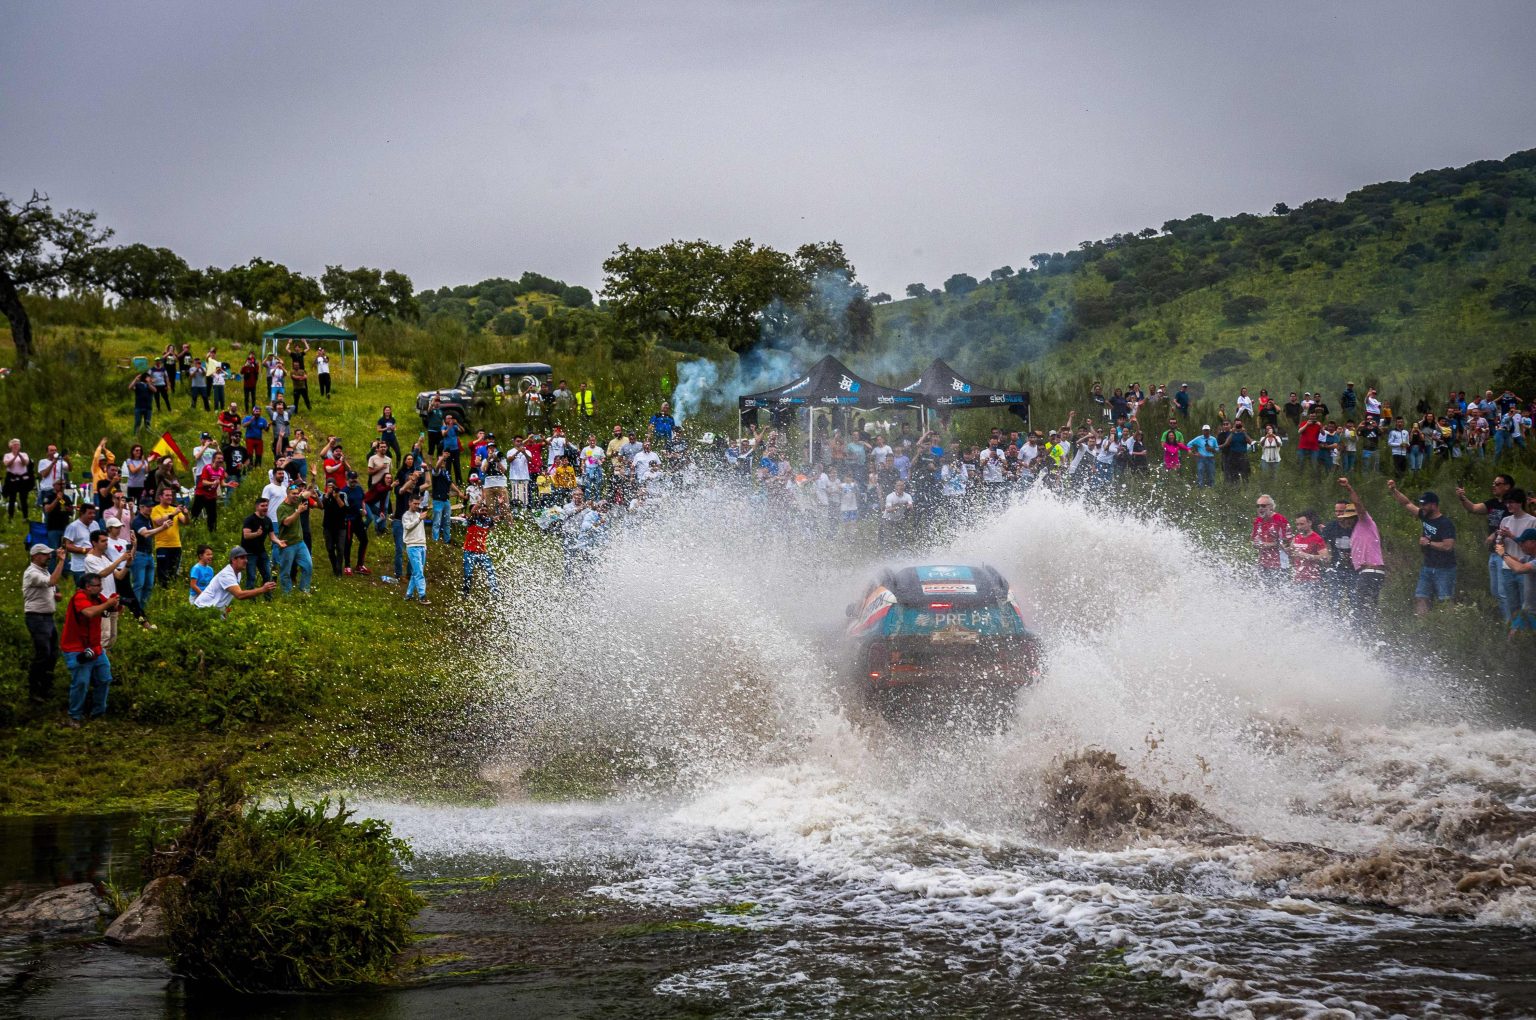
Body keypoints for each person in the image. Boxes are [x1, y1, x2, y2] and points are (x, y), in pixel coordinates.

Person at [1386, 482, 1457, 615]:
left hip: (1445, 568)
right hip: (1428, 566)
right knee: (1421, 596)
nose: (1422, 507)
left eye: (1424, 504)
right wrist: (1394, 490)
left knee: (1445, 600)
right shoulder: (1424, 515)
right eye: (1421, 504)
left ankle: (1449, 625)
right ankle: (1422, 625)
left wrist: (1429, 543)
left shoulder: (1445, 523)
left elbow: (1448, 546)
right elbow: (1406, 503)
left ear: (1434, 505)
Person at [59, 572, 119, 728]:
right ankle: (74, 716)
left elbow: (111, 610)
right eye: (97, 585)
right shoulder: (79, 597)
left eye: (101, 585)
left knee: (105, 679)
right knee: (81, 682)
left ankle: (98, 714)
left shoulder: (97, 597)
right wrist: (108, 603)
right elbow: (89, 612)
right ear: (87, 587)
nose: (101, 588)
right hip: (76, 648)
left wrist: (116, 605)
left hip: (95, 647)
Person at [1456, 475, 1518, 622]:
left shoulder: (1511, 505)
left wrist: (1494, 534)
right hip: (1493, 553)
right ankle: (1508, 623)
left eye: (1497, 483)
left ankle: (1511, 625)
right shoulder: (1492, 503)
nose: (1493, 486)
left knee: (1503, 593)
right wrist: (1462, 497)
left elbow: (1513, 523)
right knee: (1495, 592)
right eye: (1493, 483)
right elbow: (1473, 508)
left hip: (1506, 554)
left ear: (1507, 486)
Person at [1325, 478, 1388, 620]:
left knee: (1359, 607)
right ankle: (1369, 629)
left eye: (1346, 518)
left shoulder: (1365, 522)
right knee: (1366, 607)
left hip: (1370, 572)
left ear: (1353, 517)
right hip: (1366, 572)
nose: (1344, 521)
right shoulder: (1357, 532)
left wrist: (1349, 488)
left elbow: (1358, 504)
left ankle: (1361, 631)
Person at [22, 542, 66, 702]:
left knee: (53, 653)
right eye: (45, 554)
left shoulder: (44, 571)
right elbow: (51, 582)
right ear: (35, 556)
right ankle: (34, 690)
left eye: (49, 554)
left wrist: (56, 596)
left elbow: (52, 587)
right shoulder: (31, 573)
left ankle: (46, 687)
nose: (49, 556)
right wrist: (61, 561)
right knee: (43, 653)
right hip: (36, 617)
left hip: (47, 617)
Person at [82, 528, 132, 650]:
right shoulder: (89, 559)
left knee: (112, 637)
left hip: (112, 600)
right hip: (101, 602)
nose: (106, 543)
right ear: (94, 543)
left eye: (107, 540)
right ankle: (97, 658)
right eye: (103, 541)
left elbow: (119, 576)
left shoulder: (104, 558)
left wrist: (127, 564)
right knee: (104, 636)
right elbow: (102, 574)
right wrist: (120, 559)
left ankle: (104, 658)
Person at [193, 546, 277, 613]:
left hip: (213, 610)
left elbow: (228, 595)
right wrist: (263, 589)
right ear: (233, 560)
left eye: (246, 558)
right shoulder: (226, 575)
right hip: (203, 609)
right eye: (242, 558)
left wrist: (225, 611)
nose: (246, 561)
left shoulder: (238, 573)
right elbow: (239, 595)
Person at [273, 483, 314, 594]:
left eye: (297, 493)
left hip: (300, 542)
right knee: (285, 571)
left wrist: (313, 479)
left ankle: (304, 590)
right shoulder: (282, 508)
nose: (296, 496)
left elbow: (308, 492)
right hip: (287, 544)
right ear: (287, 494)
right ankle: (287, 594)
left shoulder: (297, 501)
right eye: (293, 494)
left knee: (308, 566)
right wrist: (298, 511)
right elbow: (286, 522)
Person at [1493, 529, 1536, 635]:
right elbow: (1517, 561)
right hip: (1527, 610)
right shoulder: (1529, 557)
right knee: (1512, 636)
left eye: (1523, 542)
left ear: (1533, 542)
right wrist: (1502, 551)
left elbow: (1519, 569)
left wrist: (1503, 554)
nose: (1521, 545)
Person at [149, 486, 189, 590]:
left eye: (171, 495)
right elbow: (158, 521)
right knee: (163, 571)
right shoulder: (155, 509)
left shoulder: (174, 508)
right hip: (162, 545)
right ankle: (163, 590)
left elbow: (185, 522)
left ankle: (172, 590)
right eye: (167, 495)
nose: (170, 497)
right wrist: (174, 513)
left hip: (176, 545)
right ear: (160, 497)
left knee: (173, 571)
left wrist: (186, 514)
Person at [460, 502, 501, 597]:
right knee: (468, 574)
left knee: (491, 571)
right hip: (469, 552)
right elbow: (472, 511)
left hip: (482, 553)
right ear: (477, 511)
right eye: (482, 510)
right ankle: (466, 593)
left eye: (486, 511)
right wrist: (480, 501)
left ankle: (495, 593)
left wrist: (499, 505)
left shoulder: (488, 521)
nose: (484, 512)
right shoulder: (472, 520)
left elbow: (499, 517)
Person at [1251, 494, 1290, 587]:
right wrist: (1256, 544)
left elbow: (1287, 543)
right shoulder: (1257, 521)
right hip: (1263, 563)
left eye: (1263, 506)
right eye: (1258, 506)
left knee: (1278, 591)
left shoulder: (1280, 519)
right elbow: (1254, 541)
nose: (1260, 508)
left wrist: (1268, 544)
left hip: (1279, 564)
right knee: (1263, 591)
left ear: (1271, 507)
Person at [62, 503, 101, 588]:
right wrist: (85, 550)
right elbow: (67, 545)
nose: (93, 515)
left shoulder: (95, 524)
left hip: (95, 564)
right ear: (82, 513)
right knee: (83, 591)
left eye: (94, 513)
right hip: (80, 567)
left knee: (96, 590)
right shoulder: (73, 526)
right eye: (90, 513)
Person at [242, 497, 275, 595]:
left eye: (266, 506)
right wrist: (256, 534)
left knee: (267, 575)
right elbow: (246, 535)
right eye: (262, 506)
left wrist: (279, 542)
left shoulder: (268, 520)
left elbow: (272, 536)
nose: (265, 508)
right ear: (257, 507)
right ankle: (249, 598)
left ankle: (268, 598)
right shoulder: (249, 519)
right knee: (251, 576)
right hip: (249, 552)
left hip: (261, 551)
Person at [401, 493, 429, 603]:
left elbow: (421, 531)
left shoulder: (419, 514)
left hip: (422, 546)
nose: (416, 505)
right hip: (412, 546)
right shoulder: (406, 515)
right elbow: (407, 527)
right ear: (409, 503)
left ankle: (409, 594)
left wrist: (425, 545)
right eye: (415, 503)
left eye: (418, 504)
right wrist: (419, 519)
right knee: (419, 572)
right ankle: (422, 596)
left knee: (416, 572)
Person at [1286, 511, 1328, 585]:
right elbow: (1291, 553)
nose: (1299, 527)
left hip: (1312, 580)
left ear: (1309, 523)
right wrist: (1282, 547)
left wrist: (1306, 555)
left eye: (1302, 524)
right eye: (1297, 524)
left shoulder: (1317, 538)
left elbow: (1325, 557)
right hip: (1297, 579)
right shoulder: (1296, 537)